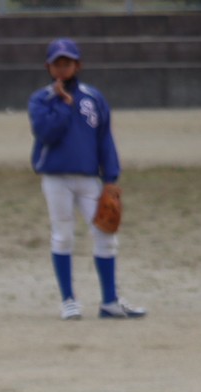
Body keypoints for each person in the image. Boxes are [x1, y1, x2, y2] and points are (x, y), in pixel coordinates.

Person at [28, 37, 145, 320]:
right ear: (48, 67)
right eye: (57, 64)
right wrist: (63, 105)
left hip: (90, 178)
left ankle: (109, 301)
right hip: (56, 179)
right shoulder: (40, 100)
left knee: (106, 233)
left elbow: (105, 138)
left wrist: (111, 176)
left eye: (68, 63)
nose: (62, 69)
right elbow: (46, 134)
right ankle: (69, 300)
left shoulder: (94, 98)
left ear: (78, 65)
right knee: (63, 235)